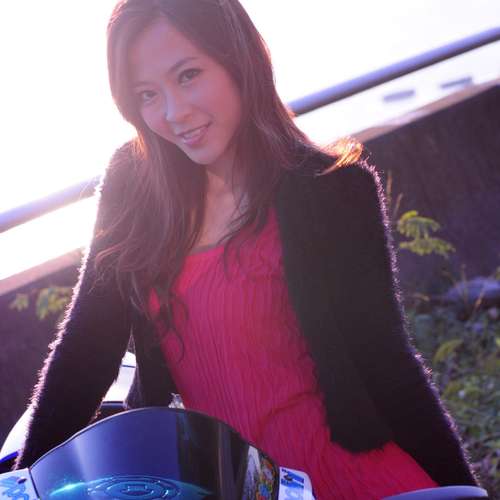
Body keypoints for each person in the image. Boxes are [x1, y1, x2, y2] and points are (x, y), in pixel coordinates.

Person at [14, 0, 478, 498]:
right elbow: (84, 353)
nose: (173, 113)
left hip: (342, 477)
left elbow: (388, 364)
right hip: (214, 482)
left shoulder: (334, 191)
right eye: (147, 94)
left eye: (188, 75)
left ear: (237, 58)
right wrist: (19, 484)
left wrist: (464, 490)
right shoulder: (134, 183)